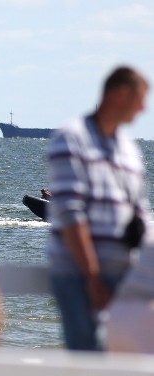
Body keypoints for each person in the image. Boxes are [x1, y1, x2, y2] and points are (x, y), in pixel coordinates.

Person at [48, 66, 149, 352]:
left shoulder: (129, 149)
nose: (144, 109)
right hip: (79, 276)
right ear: (120, 94)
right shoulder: (71, 138)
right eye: (141, 99)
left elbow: (140, 214)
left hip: (127, 277)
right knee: (87, 361)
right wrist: (92, 278)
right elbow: (71, 212)